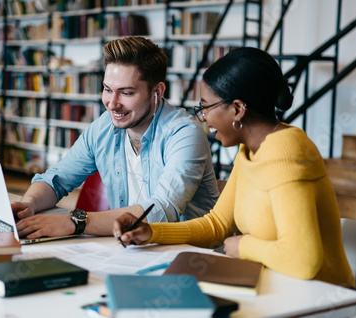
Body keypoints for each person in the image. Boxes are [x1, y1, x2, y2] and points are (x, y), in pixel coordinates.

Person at [114, 47, 355, 288]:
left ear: (238, 109)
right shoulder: (249, 150)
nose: (203, 116)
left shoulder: (287, 153)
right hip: (277, 287)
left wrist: (243, 245)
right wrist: (152, 232)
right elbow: (217, 225)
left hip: (323, 298)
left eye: (205, 106)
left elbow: (303, 260)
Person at [13, 37, 219, 239]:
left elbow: (161, 212)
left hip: (186, 254)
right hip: (129, 247)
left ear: (157, 91)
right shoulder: (103, 127)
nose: (112, 103)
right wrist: (29, 204)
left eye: (126, 93)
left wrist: (76, 222)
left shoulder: (184, 134)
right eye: (107, 89)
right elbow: (56, 180)